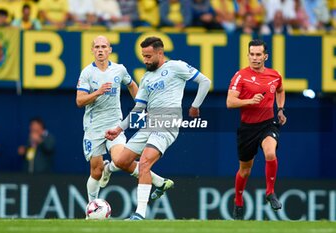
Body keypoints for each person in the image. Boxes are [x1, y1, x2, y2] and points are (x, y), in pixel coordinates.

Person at [105, 36, 211, 220]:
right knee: (122, 161)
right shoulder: (146, 77)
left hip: (168, 123)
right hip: (149, 123)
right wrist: (119, 129)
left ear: (160, 53)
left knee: (145, 162)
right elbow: (139, 109)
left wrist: (195, 105)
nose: (145, 60)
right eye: (143, 56)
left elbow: (205, 81)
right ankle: (160, 183)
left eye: (148, 56)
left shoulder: (176, 66)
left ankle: (140, 214)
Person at [76, 35, 173, 205]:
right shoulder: (87, 73)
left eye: (104, 47)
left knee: (121, 160)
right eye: (97, 47)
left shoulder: (119, 70)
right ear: (92, 50)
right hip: (93, 127)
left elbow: (131, 85)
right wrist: (97, 92)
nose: (100, 50)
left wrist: (142, 106)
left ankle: (159, 181)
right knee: (96, 171)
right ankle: (91, 208)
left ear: (110, 50)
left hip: (114, 123)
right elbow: (79, 100)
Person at [226, 39, 287, 220]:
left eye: (258, 54)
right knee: (245, 170)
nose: (254, 58)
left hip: (267, 124)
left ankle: (270, 192)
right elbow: (230, 102)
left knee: (270, 153)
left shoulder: (274, 75)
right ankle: (238, 201)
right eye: (252, 54)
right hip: (247, 129)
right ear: (248, 55)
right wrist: (249, 101)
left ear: (265, 56)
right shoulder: (240, 76)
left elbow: (280, 90)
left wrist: (281, 109)